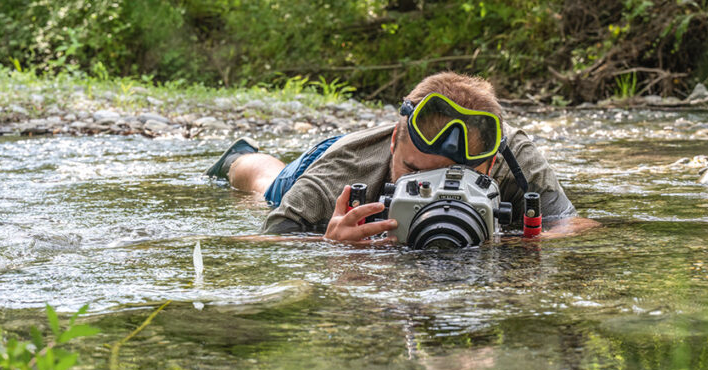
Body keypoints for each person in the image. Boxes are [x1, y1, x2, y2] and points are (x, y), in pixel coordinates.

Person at [206, 71, 592, 243]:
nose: (436, 190)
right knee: (263, 184)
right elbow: (271, 238)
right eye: (414, 173)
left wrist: (518, 243)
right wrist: (330, 244)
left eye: (456, 176)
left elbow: (574, 225)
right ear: (395, 142)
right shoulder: (347, 167)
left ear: (490, 164)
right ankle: (239, 156)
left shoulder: (514, 157)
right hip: (330, 154)